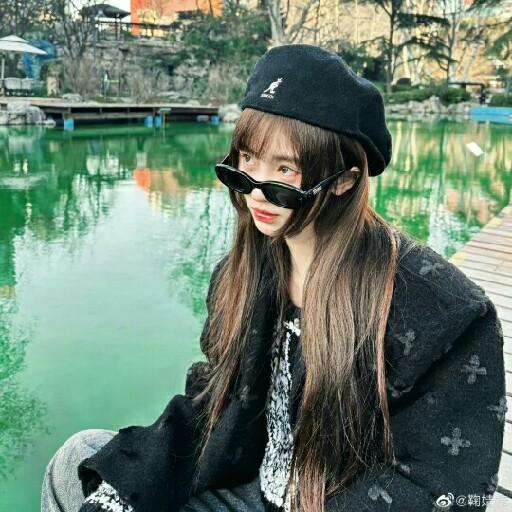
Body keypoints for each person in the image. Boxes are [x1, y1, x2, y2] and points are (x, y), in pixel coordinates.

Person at [41, 44, 506, 512]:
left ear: (343, 180)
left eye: (284, 169)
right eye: (247, 159)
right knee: (77, 460)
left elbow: (441, 486)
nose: (256, 192)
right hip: (250, 489)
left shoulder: (439, 310)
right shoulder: (244, 272)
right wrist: (122, 493)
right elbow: (213, 398)